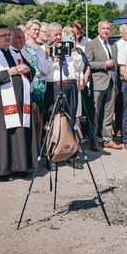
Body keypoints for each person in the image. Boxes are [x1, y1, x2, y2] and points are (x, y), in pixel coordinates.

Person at [0, 25, 38, 179]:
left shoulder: (15, 53)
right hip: (0, 102)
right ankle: (2, 169)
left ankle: (20, 166)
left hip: (20, 101)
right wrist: (11, 72)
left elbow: (31, 70)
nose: (7, 38)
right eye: (3, 35)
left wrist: (27, 69)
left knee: (19, 133)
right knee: (4, 136)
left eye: (9, 34)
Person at [39, 24, 85, 163]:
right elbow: (43, 69)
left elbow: (79, 67)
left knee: (71, 120)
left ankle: (71, 153)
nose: (58, 37)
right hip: (54, 86)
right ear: (48, 36)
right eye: (55, 35)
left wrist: (75, 50)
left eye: (60, 34)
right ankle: (51, 155)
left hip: (70, 84)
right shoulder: (42, 50)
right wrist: (53, 57)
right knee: (52, 121)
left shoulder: (69, 48)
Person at [85, 21, 121, 150]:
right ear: (98, 30)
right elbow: (88, 63)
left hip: (111, 84)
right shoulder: (91, 44)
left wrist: (116, 85)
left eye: (108, 29)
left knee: (109, 113)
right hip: (98, 84)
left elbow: (115, 67)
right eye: (103, 28)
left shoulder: (113, 45)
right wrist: (104, 64)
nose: (106, 31)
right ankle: (94, 139)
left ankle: (107, 139)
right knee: (95, 113)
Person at [24, 20, 47, 130]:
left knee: (41, 115)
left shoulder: (42, 48)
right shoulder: (23, 47)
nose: (37, 31)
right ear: (28, 31)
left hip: (41, 84)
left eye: (38, 29)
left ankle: (39, 143)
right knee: (31, 114)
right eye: (34, 29)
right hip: (30, 83)